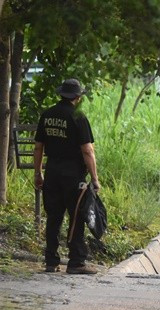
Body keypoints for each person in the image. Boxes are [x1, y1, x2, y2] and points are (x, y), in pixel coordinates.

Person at [34, 78, 101, 275]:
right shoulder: (78, 117)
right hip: (73, 175)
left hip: (52, 171)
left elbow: (38, 147)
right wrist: (95, 179)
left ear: (61, 94)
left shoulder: (47, 115)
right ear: (78, 97)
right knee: (76, 217)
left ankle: (51, 261)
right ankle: (76, 262)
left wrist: (38, 173)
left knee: (54, 216)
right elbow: (87, 151)